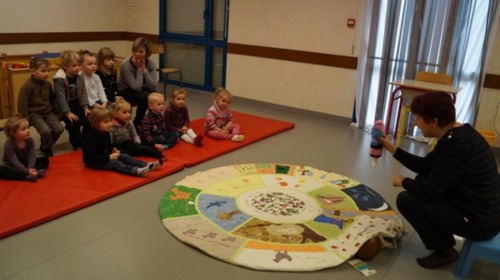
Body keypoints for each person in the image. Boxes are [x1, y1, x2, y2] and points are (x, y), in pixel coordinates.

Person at [378, 92, 500, 269]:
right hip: (483, 209)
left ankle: (445, 251)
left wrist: (403, 181)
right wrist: (393, 149)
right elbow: (426, 166)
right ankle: (443, 242)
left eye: (418, 119)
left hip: (480, 222)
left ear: (434, 121)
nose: (416, 123)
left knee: (406, 199)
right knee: (422, 179)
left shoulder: (456, 146)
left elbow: (428, 193)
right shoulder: (458, 133)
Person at [82, 107, 161, 177]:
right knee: (115, 163)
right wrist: (109, 157)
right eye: (106, 122)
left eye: (110, 121)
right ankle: (135, 170)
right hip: (94, 162)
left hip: (104, 155)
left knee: (124, 156)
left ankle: (145, 164)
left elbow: (108, 145)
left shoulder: (106, 132)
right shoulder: (91, 138)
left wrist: (113, 150)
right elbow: (92, 157)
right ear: (95, 123)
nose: (110, 124)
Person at [17, 57, 64, 157]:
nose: (46, 73)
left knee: (59, 129)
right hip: (35, 114)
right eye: (43, 71)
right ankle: (47, 148)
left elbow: (52, 100)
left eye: (48, 71)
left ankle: (46, 145)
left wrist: (57, 113)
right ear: (33, 71)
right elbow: (22, 104)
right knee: (45, 131)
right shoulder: (27, 86)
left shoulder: (48, 84)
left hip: (48, 112)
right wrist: (26, 119)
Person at [53, 50, 90, 150]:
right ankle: (77, 144)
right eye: (74, 66)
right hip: (65, 107)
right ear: (65, 66)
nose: (77, 68)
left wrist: (85, 107)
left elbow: (83, 92)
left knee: (90, 118)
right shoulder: (60, 79)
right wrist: (67, 113)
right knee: (74, 122)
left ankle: (85, 140)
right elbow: (60, 98)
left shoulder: (79, 76)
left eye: (78, 65)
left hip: (77, 104)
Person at [117, 37, 158, 127]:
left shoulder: (150, 63)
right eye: (135, 51)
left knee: (156, 96)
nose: (137, 54)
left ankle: (149, 122)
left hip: (139, 89)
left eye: (140, 52)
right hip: (124, 90)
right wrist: (139, 70)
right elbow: (136, 87)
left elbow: (153, 86)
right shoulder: (126, 65)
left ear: (147, 53)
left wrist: (145, 71)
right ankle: (137, 124)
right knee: (145, 97)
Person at [110, 99, 166, 163]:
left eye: (129, 112)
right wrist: (113, 150)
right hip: (116, 145)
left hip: (126, 142)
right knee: (128, 154)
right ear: (116, 114)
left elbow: (134, 134)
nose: (128, 115)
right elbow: (110, 141)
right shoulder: (111, 125)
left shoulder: (129, 122)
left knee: (140, 148)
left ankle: (158, 154)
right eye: (124, 112)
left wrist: (138, 144)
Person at [0, 115, 49, 181]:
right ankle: (25, 176)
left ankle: (35, 172)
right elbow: (14, 161)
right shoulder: (9, 144)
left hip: (25, 163)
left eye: (28, 128)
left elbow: (31, 155)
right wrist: (27, 171)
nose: (28, 131)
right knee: (2, 170)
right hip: (12, 165)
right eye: (23, 129)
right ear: (13, 133)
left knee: (45, 159)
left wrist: (30, 168)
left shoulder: (30, 140)